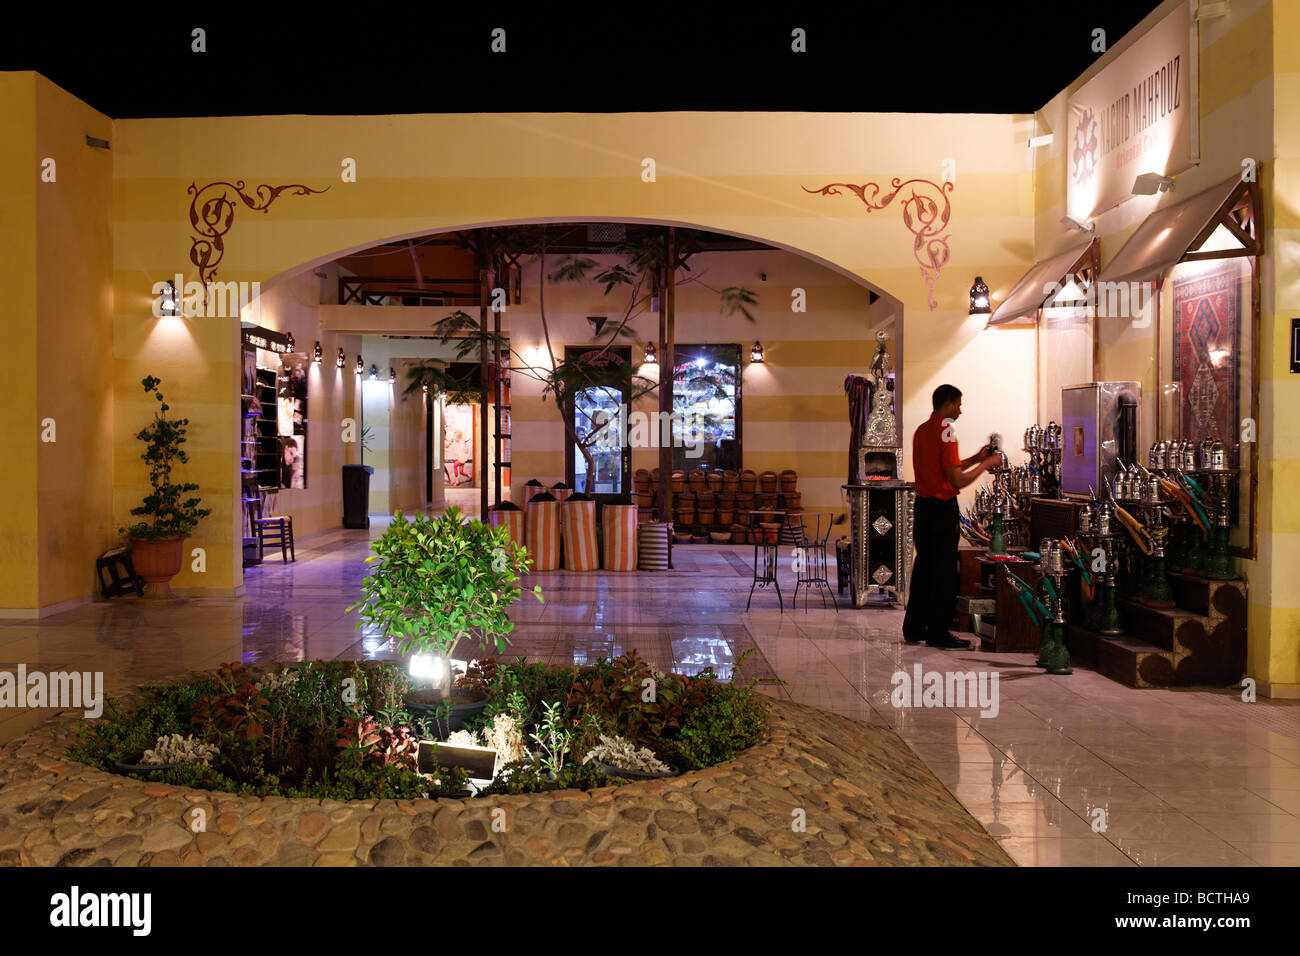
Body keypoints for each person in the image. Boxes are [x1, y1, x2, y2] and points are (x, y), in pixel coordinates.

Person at [902, 384, 1001, 649]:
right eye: (958, 404)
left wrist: (975, 457)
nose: (960, 410)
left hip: (923, 508)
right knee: (944, 572)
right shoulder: (947, 431)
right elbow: (956, 478)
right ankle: (938, 632)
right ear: (947, 404)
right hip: (942, 509)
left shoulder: (922, 431)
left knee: (924, 568)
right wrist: (987, 464)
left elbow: (946, 467)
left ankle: (913, 627)